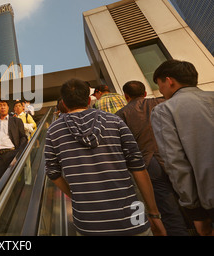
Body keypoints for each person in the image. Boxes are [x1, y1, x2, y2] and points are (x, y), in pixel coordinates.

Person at [45, 78, 166, 236]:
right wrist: (153, 213)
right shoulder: (115, 120)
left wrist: (75, 195)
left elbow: (52, 172)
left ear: (65, 104)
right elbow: (138, 167)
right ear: (89, 100)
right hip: (132, 219)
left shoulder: (53, 131)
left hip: (89, 225)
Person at [116, 80, 189, 235]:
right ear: (144, 93)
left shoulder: (121, 115)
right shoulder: (163, 102)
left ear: (126, 96)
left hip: (149, 164)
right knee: (191, 199)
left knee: (168, 208)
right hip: (176, 157)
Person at [150, 60, 214, 236]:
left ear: (169, 81)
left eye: (160, 85)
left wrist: (195, 212)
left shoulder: (164, 110)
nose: (161, 91)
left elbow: (176, 164)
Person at [0, 100, 28, 183]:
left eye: (4, 105)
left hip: (13, 154)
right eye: (0, 105)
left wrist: (18, 154)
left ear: (8, 107)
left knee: (16, 183)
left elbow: (23, 138)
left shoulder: (16, 121)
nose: (2, 107)